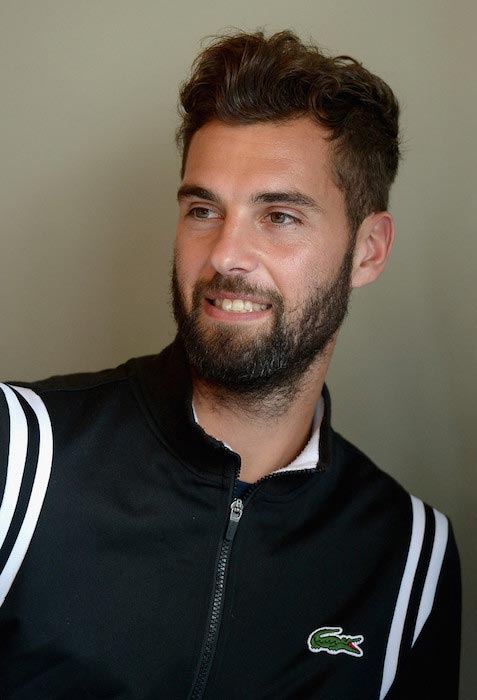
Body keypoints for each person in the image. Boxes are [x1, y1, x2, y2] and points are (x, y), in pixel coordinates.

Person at [0, 30, 460, 700]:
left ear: (367, 250)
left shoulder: (409, 554)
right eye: (202, 210)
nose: (224, 255)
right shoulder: (19, 455)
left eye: (277, 216)